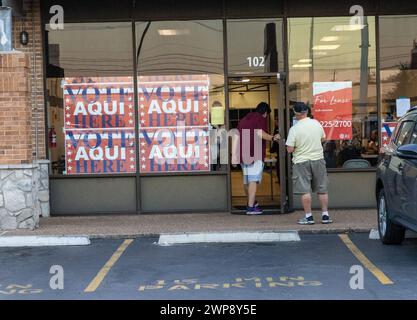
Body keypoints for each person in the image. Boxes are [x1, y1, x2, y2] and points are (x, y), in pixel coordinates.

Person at [286, 102, 333, 225]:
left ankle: (308, 217)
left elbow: (290, 149)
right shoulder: (316, 124)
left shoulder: (294, 129)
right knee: (322, 189)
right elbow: (323, 139)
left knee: (305, 190)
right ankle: (325, 216)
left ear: (296, 113)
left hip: (301, 161)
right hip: (318, 159)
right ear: (306, 112)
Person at [233, 102, 281, 215]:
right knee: (253, 180)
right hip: (255, 153)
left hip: (243, 153)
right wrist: (273, 138)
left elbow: (236, 136)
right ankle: (250, 208)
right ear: (265, 113)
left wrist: (234, 154)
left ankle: (252, 203)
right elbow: (260, 133)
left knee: (247, 181)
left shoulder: (244, 119)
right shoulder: (260, 118)